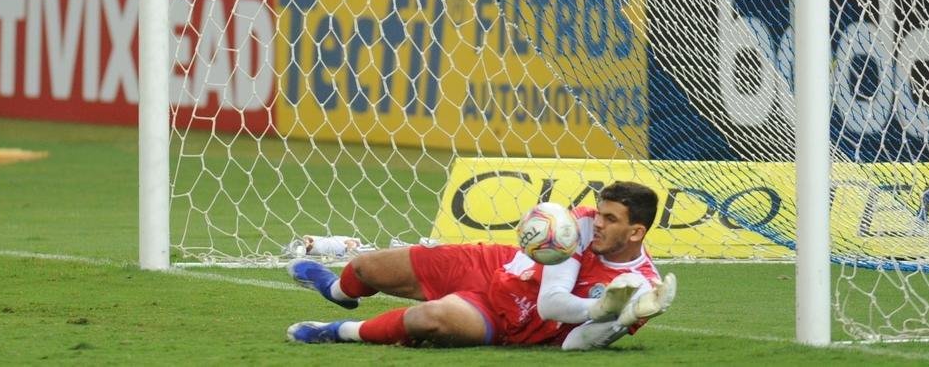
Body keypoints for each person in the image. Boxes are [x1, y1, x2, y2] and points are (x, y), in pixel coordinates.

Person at [285, 180, 676, 350]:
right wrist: (597, 307)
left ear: (636, 232)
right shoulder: (584, 224)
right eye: (601, 214)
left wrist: (618, 321)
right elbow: (554, 298)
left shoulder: (642, 286)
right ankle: (337, 291)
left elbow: (572, 342)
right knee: (367, 268)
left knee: (427, 319)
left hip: (510, 314)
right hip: (497, 264)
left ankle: (339, 331)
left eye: (612, 220)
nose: (598, 223)